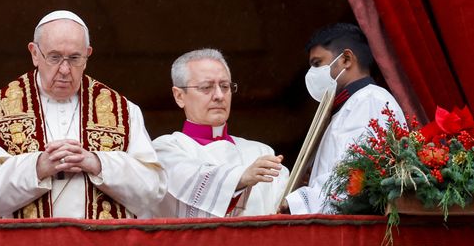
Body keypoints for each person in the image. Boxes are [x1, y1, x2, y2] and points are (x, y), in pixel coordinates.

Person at [0, 10, 165, 219]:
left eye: (74, 58)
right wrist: (37, 167)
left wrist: (98, 163)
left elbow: (152, 191)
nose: (64, 69)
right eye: (54, 57)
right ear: (35, 53)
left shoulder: (124, 111)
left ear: (88, 55)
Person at [141, 49, 289, 218]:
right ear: (179, 96)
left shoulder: (261, 152)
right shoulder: (163, 150)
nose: (219, 95)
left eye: (225, 86)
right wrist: (241, 177)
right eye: (206, 87)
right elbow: (190, 179)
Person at [281, 23, 406, 214]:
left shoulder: (369, 100)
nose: (312, 73)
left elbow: (354, 178)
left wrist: (295, 202)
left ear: (346, 59)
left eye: (317, 63)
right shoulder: (348, 106)